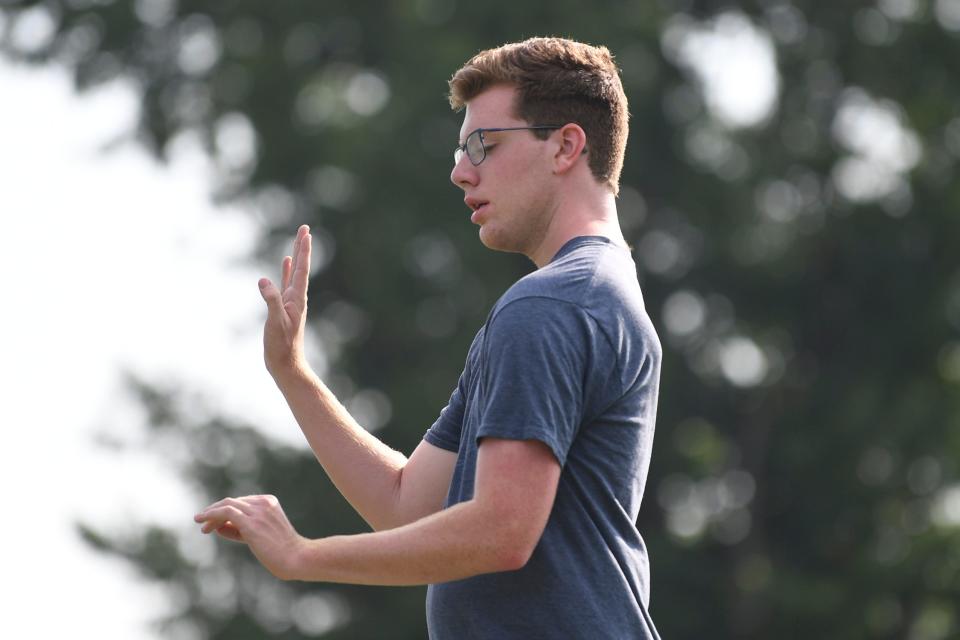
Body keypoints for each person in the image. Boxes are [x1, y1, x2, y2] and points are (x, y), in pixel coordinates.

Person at [195, 36, 663, 639]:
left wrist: (303, 555)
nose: (460, 170)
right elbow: (404, 502)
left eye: (483, 145)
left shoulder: (549, 304)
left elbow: (501, 531)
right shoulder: (591, 293)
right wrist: (293, 373)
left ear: (566, 146)